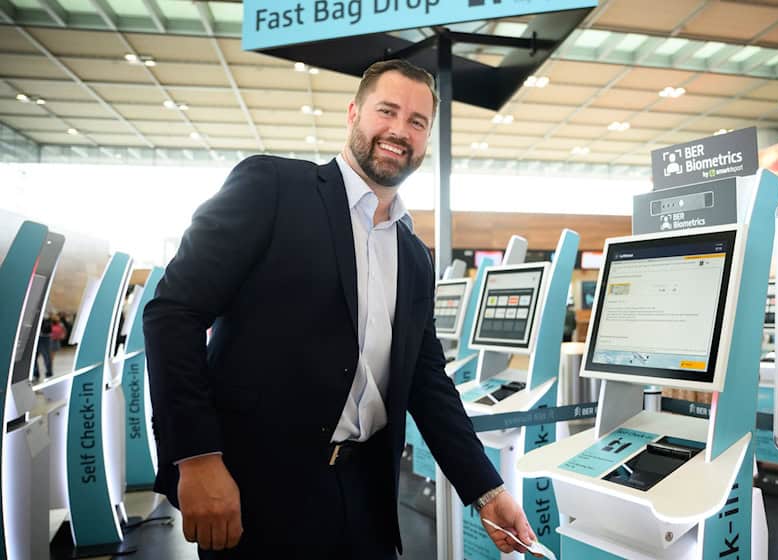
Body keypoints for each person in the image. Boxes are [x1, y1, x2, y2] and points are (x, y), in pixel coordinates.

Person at [143, 59, 537, 559]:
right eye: (386, 111)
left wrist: (487, 490)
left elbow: (425, 379)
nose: (400, 131)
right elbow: (173, 313)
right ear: (353, 113)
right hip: (259, 495)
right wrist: (197, 458)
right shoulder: (274, 189)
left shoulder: (414, 255)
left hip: (367, 497)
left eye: (417, 122)